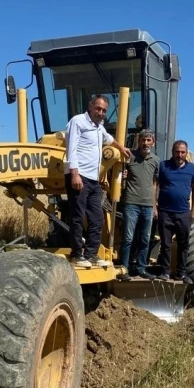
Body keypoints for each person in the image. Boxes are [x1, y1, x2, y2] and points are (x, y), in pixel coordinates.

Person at [64, 95, 132, 268]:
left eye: (104, 111)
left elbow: (108, 139)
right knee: (77, 217)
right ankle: (77, 254)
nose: (101, 113)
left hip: (94, 179)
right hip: (80, 176)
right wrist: (74, 174)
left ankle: (91, 254)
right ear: (90, 106)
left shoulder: (98, 127)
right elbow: (71, 148)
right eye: (98, 109)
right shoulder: (78, 122)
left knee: (97, 218)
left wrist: (121, 147)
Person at [116, 129, 160, 281]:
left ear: (153, 143)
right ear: (138, 142)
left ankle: (141, 268)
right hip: (131, 204)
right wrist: (123, 177)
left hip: (148, 205)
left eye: (148, 140)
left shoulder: (155, 161)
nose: (145, 143)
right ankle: (124, 269)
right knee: (128, 238)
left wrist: (154, 205)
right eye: (143, 140)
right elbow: (119, 177)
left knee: (145, 238)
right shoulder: (129, 157)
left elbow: (155, 184)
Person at [155, 140, 194, 284]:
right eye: (177, 151)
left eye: (182, 152)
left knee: (183, 244)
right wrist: (154, 205)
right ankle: (165, 272)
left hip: (183, 213)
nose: (179, 154)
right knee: (166, 244)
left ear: (186, 153)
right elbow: (156, 185)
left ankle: (181, 273)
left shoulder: (191, 168)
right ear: (172, 152)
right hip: (165, 212)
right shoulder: (163, 166)